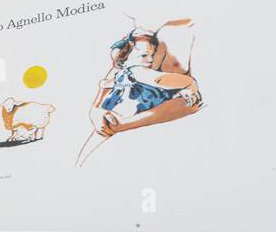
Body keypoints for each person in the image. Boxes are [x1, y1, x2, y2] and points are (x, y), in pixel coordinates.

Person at [77, 20, 202, 167]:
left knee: (89, 154)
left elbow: (104, 87)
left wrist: (189, 85)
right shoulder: (137, 70)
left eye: (152, 55)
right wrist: (190, 84)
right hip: (120, 117)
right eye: (144, 56)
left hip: (120, 118)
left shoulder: (129, 72)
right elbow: (160, 80)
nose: (150, 60)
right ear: (125, 57)